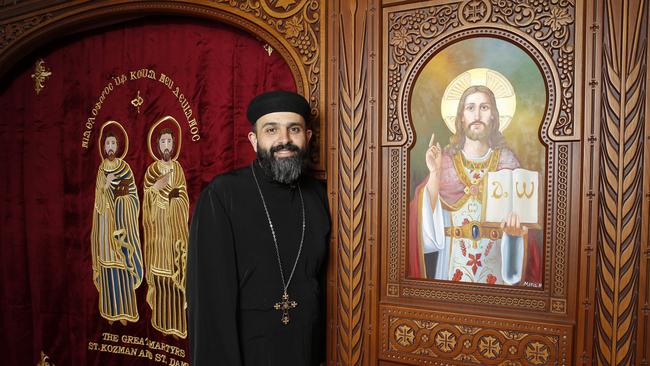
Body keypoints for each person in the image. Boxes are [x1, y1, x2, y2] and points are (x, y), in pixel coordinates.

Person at [187, 90, 330, 365]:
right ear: (254, 140)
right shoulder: (222, 196)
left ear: (308, 137)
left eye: (294, 129)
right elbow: (210, 307)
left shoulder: (319, 197)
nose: (284, 140)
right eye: (271, 130)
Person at [409, 85, 541, 285]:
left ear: (494, 116)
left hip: (497, 269)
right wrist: (435, 174)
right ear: (461, 116)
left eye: (484, 107)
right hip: (452, 268)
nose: (477, 114)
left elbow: (525, 229)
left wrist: (515, 236)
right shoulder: (444, 162)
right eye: (470, 108)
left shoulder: (508, 163)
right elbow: (425, 232)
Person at [90, 126, 144, 323]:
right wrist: (106, 184)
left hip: (121, 227)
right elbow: (98, 202)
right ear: (103, 147)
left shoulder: (125, 168)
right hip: (105, 226)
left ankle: (125, 311)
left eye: (113, 143)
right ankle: (110, 311)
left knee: (122, 265)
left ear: (118, 146)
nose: (110, 147)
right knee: (107, 264)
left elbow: (133, 197)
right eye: (107, 143)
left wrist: (123, 201)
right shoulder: (101, 170)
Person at [142, 125, 189, 338]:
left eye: (170, 141)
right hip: (157, 232)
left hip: (174, 232)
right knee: (160, 278)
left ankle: (177, 325)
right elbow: (146, 201)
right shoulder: (151, 171)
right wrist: (154, 190)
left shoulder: (177, 169)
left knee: (174, 278)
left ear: (174, 144)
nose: (167, 146)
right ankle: (160, 323)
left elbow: (183, 198)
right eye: (163, 142)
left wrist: (172, 197)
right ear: (157, 145)